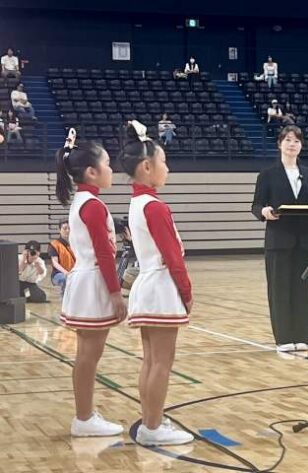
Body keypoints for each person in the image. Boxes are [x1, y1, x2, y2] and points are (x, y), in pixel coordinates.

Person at [119, 120, 194, 446]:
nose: (168, 168)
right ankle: (152, 427)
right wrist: (186, 292)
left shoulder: (137, 203)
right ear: (147, 167)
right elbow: (173, 258)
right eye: (164, 161)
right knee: (162, 362)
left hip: (146, 285)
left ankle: (151, 421)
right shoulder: (155, 207)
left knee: (150, 360)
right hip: (160, 287)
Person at [54, 128, 127, 437]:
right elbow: (104, 254)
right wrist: (116, 293)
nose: (111, 169)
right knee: (88, 355)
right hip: (93, 281)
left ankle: (84, 415)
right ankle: (84, 418)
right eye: (107, 164)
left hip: (85, 279)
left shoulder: (83, 201)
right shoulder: (93, 205)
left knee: (86, 354)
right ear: (91, 172)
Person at [251, 125, 308, 353]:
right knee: (280, 289)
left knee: (305, 290)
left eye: (297, 141)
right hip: (279, 241)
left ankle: (302, 336)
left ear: (301, 146)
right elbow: (256, 205)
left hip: (307, 240)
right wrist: (264, 212)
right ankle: (283, 338)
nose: (292, 144)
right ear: (280, 144)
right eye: (288, 140)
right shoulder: (267, 174)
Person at [49, 219, 76, 294]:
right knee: (65, 279)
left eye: (69, 228)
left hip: (75, 273)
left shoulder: (75, 244)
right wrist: (66, 273)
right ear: (59, 230)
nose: (67, 230)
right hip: (59, 274)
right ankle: (64, 299)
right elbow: (55, 263)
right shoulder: (54, 244)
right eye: (65, 228)